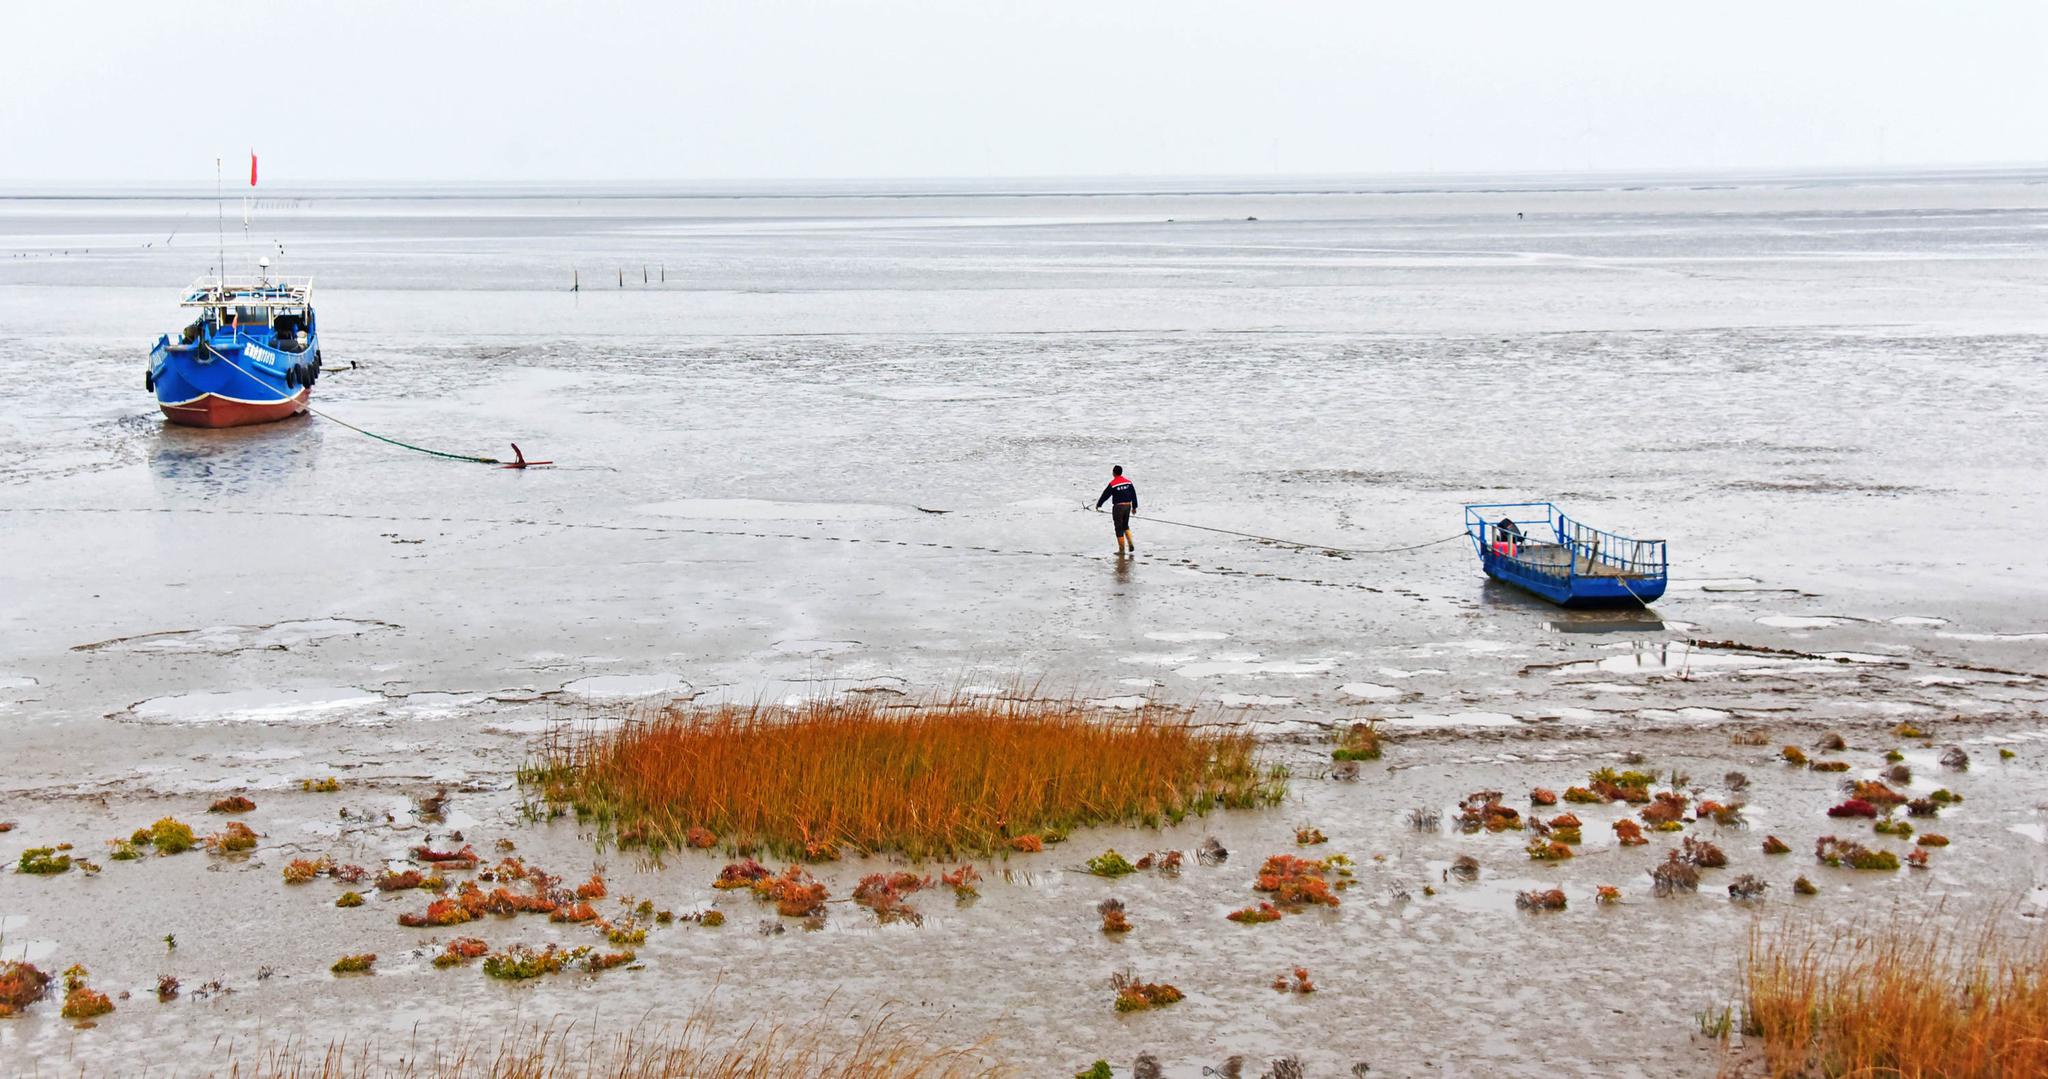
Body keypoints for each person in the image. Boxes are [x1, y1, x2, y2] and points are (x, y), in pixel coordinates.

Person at [1094, 465, 1139, 553]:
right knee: (1125, 525)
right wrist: (1134, 507)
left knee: (1119, 528)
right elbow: (1133, 495)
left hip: (1118, 507)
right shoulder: (1128, 482)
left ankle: (1121, 550)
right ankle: (1130, 544)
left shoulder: (1113, 484)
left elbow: (1105, 495)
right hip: (1127, 506)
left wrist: (1099, 504)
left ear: (1114, 473)